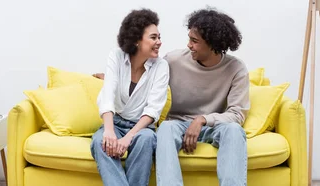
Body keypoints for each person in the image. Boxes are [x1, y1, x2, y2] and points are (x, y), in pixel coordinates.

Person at [155, 7, 249, 186]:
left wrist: (202, 120)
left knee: (235, 131)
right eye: (189, 39)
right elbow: (146, 77)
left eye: (194, 41)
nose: (189, 45)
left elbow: (237, 114)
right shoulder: (173, 61)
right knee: (165, 128)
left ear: (213, 44)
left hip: (215, 125)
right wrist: (115, 78)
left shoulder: (236, 69)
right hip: (177, 125)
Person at [90, 8, 170, 186]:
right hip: (115, 123)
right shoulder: (116, 56)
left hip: (141, 128)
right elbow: (108, 95)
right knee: (99, 141)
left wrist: (129, 137)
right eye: (153, 37)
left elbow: (153, 110)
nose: (159, 42)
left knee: (147, 140)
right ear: (136, 39)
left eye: (159, 37)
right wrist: (109, 131)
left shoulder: (161, 66)